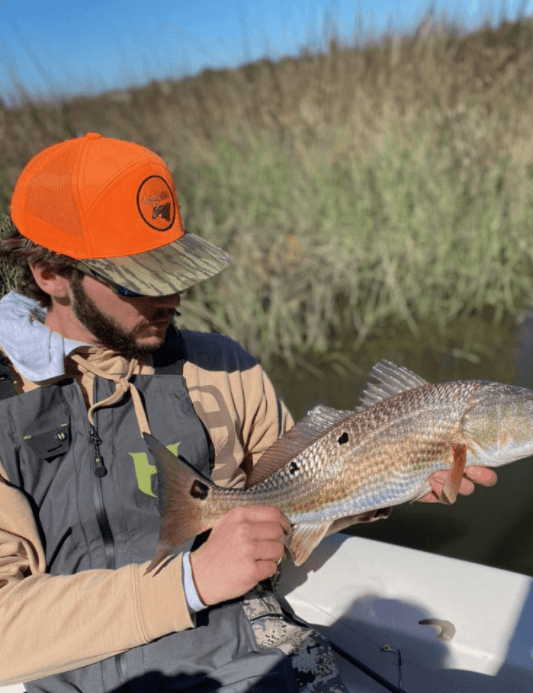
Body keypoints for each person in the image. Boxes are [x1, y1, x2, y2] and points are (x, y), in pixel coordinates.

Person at [0, 133, 497, 693]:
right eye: (139, 279)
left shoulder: (221, 365)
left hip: (252, 657)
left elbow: (293, 491)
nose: (173, 297)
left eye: (176, 269)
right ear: (49, 273)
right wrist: (190, 581)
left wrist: (393, 477)